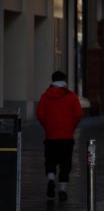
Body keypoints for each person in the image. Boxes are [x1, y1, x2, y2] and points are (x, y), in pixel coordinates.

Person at [37, 71, 84, 202]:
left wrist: (47, 127)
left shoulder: (45, 96)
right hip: (66, 137)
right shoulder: (71, 96)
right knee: (65, 163)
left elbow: (40, 114)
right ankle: (62, 189)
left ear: (52, 81)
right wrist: (71, 127)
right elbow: (79, 114)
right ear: (64, 81)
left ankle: (51, 179)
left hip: (51, 136)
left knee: (50, 160)